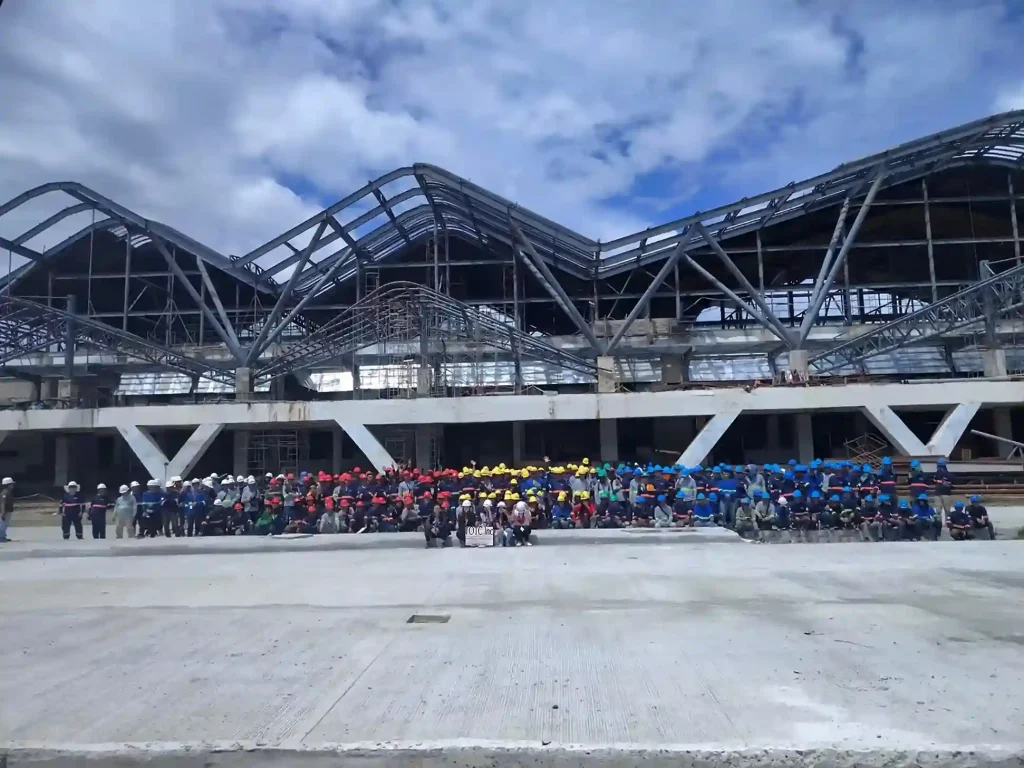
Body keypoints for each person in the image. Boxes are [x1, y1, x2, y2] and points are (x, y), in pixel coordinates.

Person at [0, 476, 14, 543]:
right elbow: (3, 503)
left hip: (7, 511)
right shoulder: (5, 493)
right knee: (2, 525)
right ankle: (1, 537)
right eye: (11, 484)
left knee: (5, 524)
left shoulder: (8, 492)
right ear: (8, 485)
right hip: (5, 511)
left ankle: (3, 536)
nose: (13, 486)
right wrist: (3, 513)